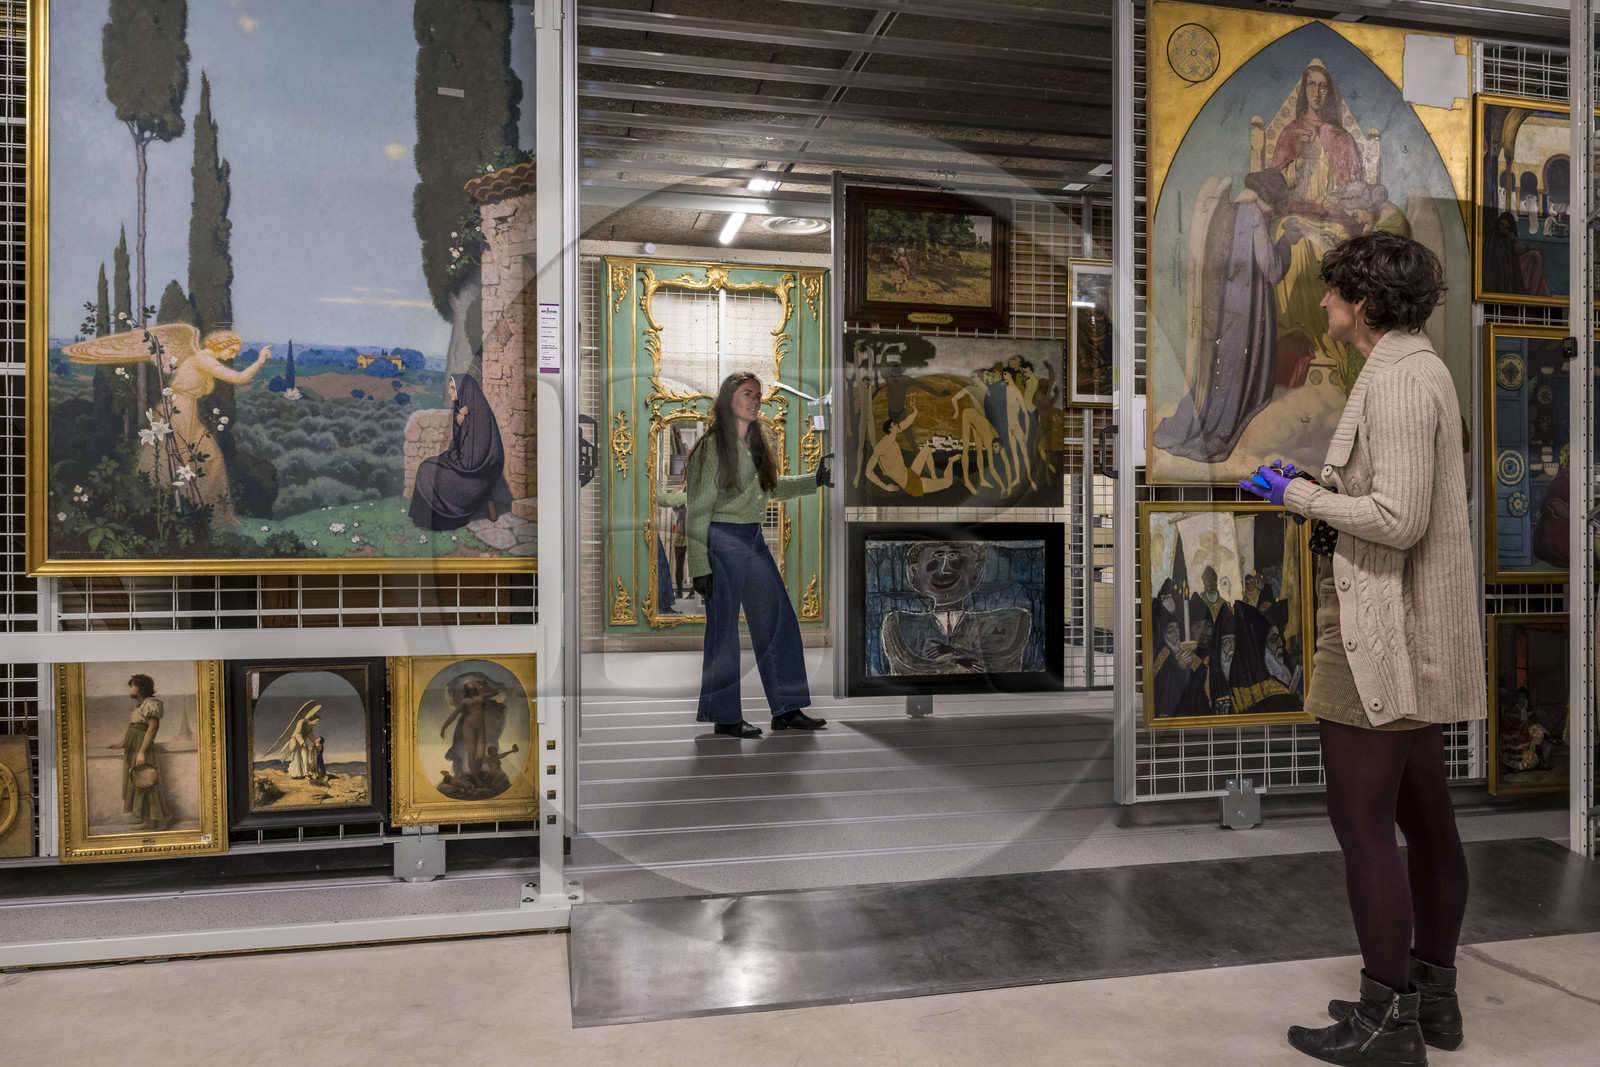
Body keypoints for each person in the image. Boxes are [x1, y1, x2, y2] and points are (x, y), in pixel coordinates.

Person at [1241, 231, 1483, 1063]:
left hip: (1381, 631)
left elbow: (1400, 520)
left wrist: (1299, 496)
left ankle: (1387, 1022)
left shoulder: (1403, 379)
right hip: (1398, 624)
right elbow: (1393, 496)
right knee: (1425, 817)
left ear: (1366, 303)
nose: (1324, 303)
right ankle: (1432, 1001)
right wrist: (1320, 487)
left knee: (1364, 825)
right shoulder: (1408, 369)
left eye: (1336, 291)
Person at [685, 372, 833, 738]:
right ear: (729, 399)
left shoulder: (756, 443)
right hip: (721, 538)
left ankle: (787, 710)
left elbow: (769, 488)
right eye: (748, 394)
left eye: (758, 395)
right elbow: (697, 509)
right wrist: (699, 565)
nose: (756, 400)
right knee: (724, 632)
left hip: (752, 539)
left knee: (777, 620)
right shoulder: (712, 447)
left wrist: (813, 480)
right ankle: (725, 716)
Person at [880, 541, 1030, 676]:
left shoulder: (1006, 622)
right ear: (914, 573)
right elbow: (910, 664)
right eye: (937, 558)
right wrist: (958, 659)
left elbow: (1001, 660)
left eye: (954, 558)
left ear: (977, 572)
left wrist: (951, 652)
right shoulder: (899, 625)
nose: (945, 569)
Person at [409, 373, 513, 531]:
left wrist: (458, 458)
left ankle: (441, 520)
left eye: (453, 388)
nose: (449, 391)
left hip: (476, 469)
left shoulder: (480, 413)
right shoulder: (461, 409)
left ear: (463, 390)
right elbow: (458, 443)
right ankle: (425, 517)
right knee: (426, 465)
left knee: (431, 471)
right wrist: (459, 423)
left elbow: (480, 452)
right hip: (463, 460)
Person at [109, 673, 172, 832]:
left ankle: (163, 817)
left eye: (132, 686)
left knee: (148, 781)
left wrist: (142, 752)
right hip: (133, 747)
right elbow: (134, 728)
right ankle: (148, 821)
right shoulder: (139, 707)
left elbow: (153, 728)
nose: (130, 689)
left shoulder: (151, 704)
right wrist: (122, 744)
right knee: (139, 782)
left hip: (142, 746)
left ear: (140, 689)